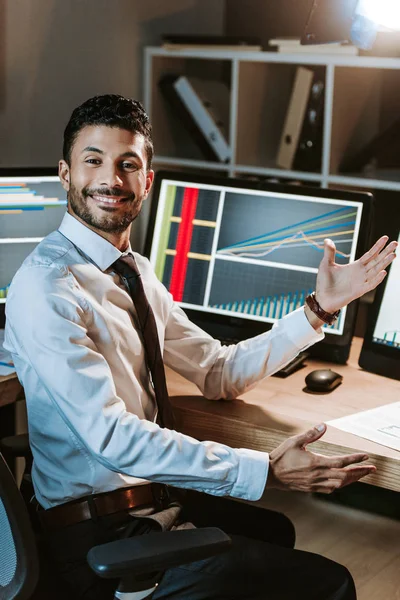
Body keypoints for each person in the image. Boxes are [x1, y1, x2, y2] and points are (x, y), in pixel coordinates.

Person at [4, 94, 397, 600]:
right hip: (98, 537)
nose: (111, 180)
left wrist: (317, 309)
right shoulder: (47, 288)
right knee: (331, 584)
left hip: (150, 502)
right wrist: (266, 470)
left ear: (147, 180)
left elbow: (216, 371)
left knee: (276, 533)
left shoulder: (135, 273)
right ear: (66, 173)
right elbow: (113, 439)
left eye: (128, 164)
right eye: (93, 161)